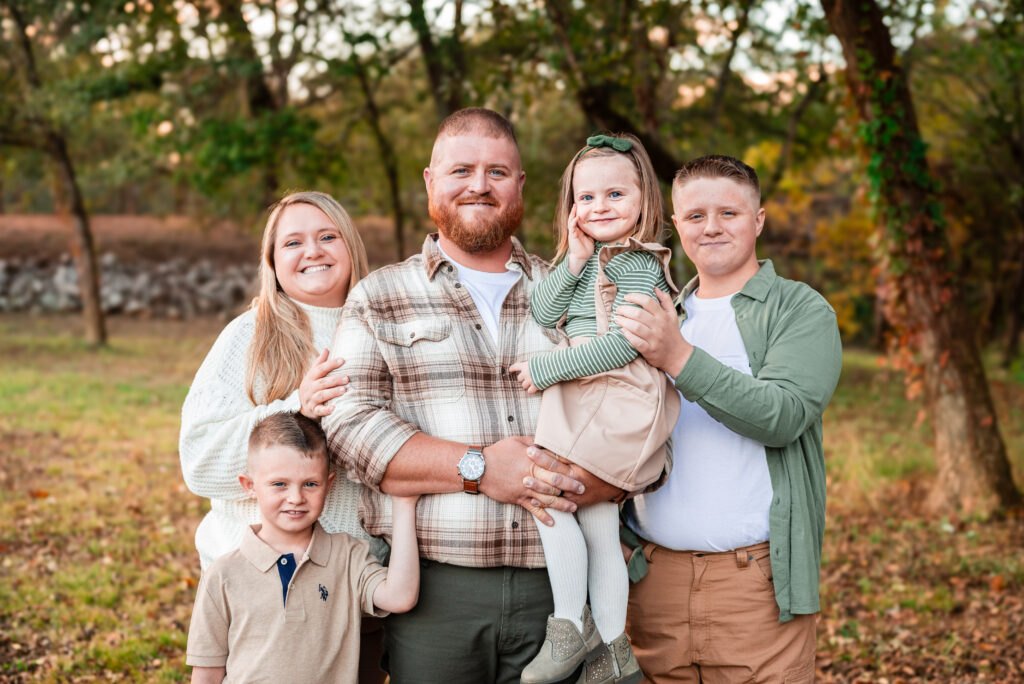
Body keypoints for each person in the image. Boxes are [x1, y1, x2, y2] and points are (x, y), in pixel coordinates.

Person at [322, 107, 617, 684]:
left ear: (521, 186)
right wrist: (480, 468)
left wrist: (588, 481)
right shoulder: (380, 296)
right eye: (461, 170)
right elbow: (350, 429)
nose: (479, 185)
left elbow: (638, 409)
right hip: (435, 596)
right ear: (431, 183)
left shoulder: (582, 292)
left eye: (497, 172)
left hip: (560, 594)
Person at [611, 155, 843, 683]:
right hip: (654, 584)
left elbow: (784, 415)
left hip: (756, 588)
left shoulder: (799, 310)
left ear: (758, 220)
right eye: (695, 216)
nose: (711, 227)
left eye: (729, 213)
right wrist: (624, 543)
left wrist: (678, 357)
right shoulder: (658, 311)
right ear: (676, 227)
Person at [178, 191, 388, 681]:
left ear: (351, 247)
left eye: (327, 236)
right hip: (257, 595)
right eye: (292, 242)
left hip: (354, 590)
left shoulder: (387, 330)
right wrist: (297, 406)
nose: (312, 250)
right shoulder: (248, 337)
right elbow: (199, 461)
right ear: (272, 262)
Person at [507, 134, 679, 684]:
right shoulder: (590, 258)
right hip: (590, 391)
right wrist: (575, 259)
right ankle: (611, 650)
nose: (599, 207)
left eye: (614, 195)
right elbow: (544, 308)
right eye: (586, 198)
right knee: (600, 518)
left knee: (550, 494)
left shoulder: (637, 264)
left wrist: (547, 369)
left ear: (644, 202)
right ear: (571, 207)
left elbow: (627, 345)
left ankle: (568, 624)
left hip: (610, 387)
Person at [185, 412, 420, 683]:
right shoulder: (223, 574)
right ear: (250, 486)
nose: (295, 498)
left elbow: (400, 597)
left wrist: (404, 503)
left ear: (329, 485)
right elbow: (207, 673)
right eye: (279, 484)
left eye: (310, 484)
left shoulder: (347, 556)